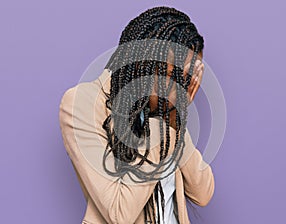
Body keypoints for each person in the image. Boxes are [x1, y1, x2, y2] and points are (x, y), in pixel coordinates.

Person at [59, 6, 214, 224]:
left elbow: (202, 193)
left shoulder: (166, 109)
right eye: (174, 75)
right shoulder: (82, 103)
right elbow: (120, 213)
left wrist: (175, 117)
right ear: (144, 63)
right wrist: (164, 122)